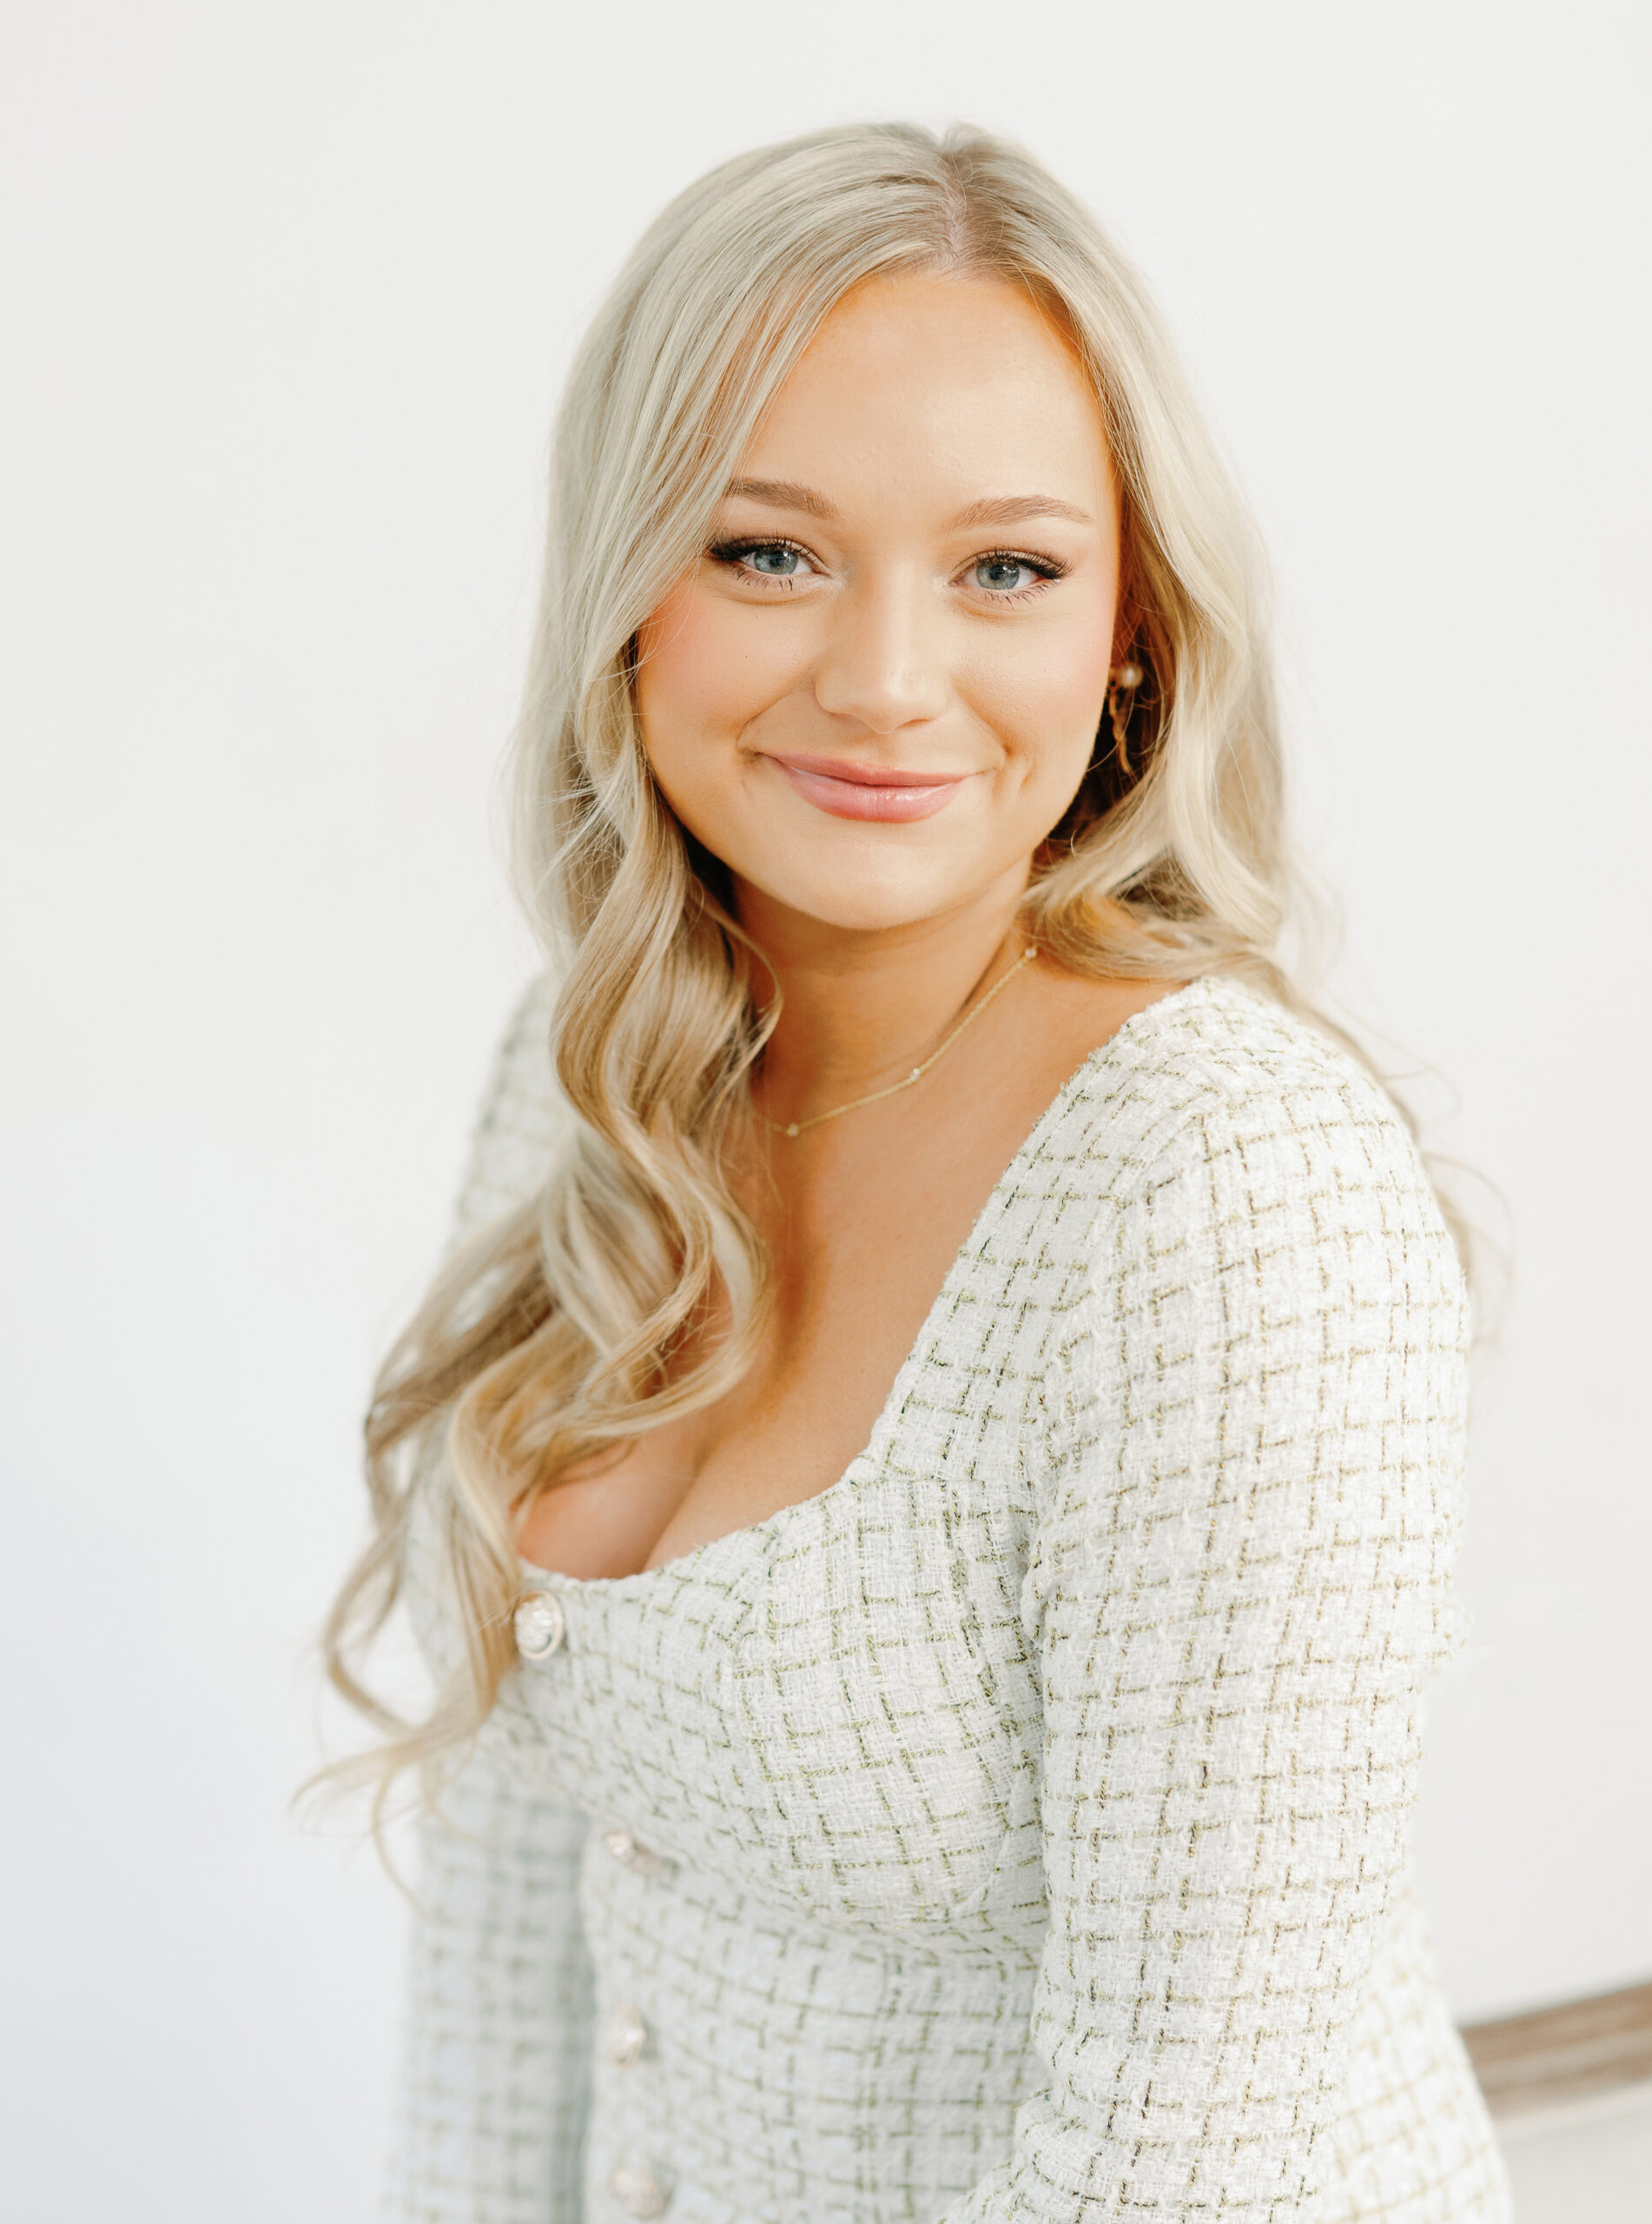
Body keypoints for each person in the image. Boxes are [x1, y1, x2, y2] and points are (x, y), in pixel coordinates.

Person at [325, 121, 1514, 2223]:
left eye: (1008, 569)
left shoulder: (1223, 1194)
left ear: (1130, 629)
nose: (884, 681)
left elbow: (1176, 2165)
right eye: (767, 551)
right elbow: (517, 1890)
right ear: (626, 595)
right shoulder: (594, 1064)